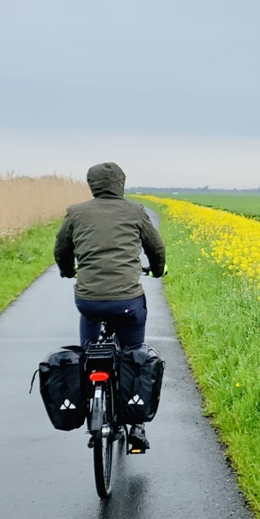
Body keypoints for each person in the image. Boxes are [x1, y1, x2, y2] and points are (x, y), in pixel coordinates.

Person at [54, 162, 166, 451]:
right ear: (121, 183)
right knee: (133, 353)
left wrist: (68, 271)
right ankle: (137, 426)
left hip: (89, 301)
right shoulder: (135, 211)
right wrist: (156, 269)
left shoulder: (76, 212)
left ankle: (91, 398)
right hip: (127, 302)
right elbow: (156, 248)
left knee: (89, 349)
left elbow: (61, 249)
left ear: (92, 184)